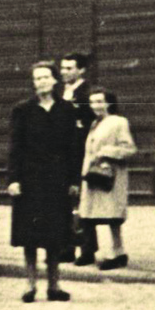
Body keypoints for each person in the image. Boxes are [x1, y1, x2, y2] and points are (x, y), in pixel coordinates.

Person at [8, 61, 80, 302]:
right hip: (30, 180)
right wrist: (14, 179)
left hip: (57, 181)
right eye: (36, 79)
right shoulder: (23, 110)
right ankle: (30, 285)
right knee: (30, 235)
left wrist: (73, 180)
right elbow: (15, 147)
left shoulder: (66, 110)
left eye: (45, 77)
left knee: (55, 235)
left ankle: (54, 286)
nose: (40, 82)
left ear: (54, 80)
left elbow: (73, 148)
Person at [76, 87, 137, 271]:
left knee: (113, 217)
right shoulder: (95, 123)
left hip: (111, 176)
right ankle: (90, 252)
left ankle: (117, 253)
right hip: (94, 176)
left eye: (100, 101)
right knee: (88, 215)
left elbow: (129, 148)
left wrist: (106, 153)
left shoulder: (118, 122)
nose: (96, 106)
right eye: (93, 102)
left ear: (109, 103)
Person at [60, 52, 95, 264]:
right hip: (63, 155)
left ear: (81, 70)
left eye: (69, 68)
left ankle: (87, 249)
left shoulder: (87, 94)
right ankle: (67, 247)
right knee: (66, 201)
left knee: (84, 203)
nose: (65, 72)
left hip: (81, 153)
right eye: (63, 68)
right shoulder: (60, 92)